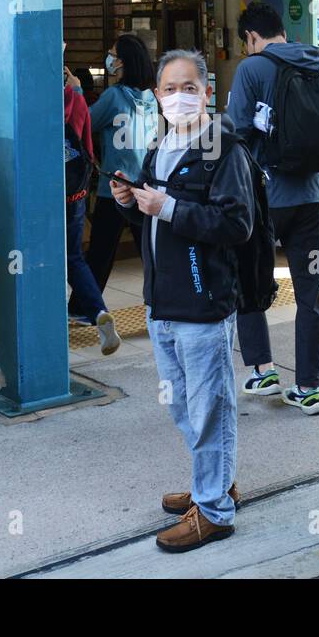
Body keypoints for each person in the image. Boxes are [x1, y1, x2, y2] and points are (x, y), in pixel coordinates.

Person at [110, 50, 254, 553]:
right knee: (185, 407)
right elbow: (154, 223)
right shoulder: (161, 146)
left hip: (202, 303)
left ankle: (213, 510)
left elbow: (237, 224)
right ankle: (214, 484)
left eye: (188, 86)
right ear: (156, 95)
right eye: (169, 88)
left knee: (208, 407)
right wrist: (134, 205)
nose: (178, 96)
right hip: (162, 302)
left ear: (207, 91)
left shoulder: (222, 149)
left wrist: (168, 207)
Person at [227, 0, 319, 413]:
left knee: (250, 283)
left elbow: (236, 134)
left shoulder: (252, 69)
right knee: (310, 293)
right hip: (313, 197)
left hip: (265, 199)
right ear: (283, 31)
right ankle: (309, 388)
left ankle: (263, 370)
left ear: (252, 38)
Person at [72, 33, 157, 299]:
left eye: (112, 53)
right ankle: (161, 299)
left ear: (122, 62)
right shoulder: (152, 97)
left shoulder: (114, 96)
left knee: (100, 251)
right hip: (145, 186)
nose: (109, 58)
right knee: (151, 253)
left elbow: (85, 123)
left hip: (116, 188)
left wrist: (75, 91)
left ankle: (83, 306)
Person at [64, 71, 123, 355]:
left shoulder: (34, 104)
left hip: (43, 199)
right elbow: (87, 142)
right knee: (73, 256)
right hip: (74, 194)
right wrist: (76, 91)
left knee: (40, 261)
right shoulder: (76, 100)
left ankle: (45, 324)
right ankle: (98, 312)